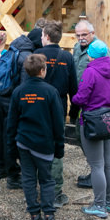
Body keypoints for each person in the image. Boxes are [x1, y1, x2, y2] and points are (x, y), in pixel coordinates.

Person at [8, 54, 65, 220]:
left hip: (24, 142)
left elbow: (11, 121)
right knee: (47, 180)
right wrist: (59, 146)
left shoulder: (19, 91)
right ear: (42, 71)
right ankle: (49, 217)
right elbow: (58, 122)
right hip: (44, 143)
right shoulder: (50, 92)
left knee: (29, 179)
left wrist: (10, 146)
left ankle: (34, 215)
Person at [71, 39, 110, 219]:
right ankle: (109, 202)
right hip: (108, 117)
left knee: (97, 165)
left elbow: (81, 97)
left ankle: (99, 205)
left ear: (90, 55)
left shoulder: (90, 71)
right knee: (109, 163)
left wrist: (73, 100)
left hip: (91, 119)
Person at [35, 21, 78, 207]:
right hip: (59, 106)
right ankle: (56, 190)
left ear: (46, 37)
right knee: (56, 147)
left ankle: (39, 185)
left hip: (37, 105)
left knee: (37, 144)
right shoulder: (67, 57)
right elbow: (73, 86)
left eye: (42, 35)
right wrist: (74, 113)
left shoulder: (37, 55)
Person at [0, 32, 35, 189]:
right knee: (11, 138)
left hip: (0, 97)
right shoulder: (26, 56)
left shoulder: (10, 51)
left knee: (1, 134)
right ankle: (13, 175)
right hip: (12, 100)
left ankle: (0, 168)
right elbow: (25, 84)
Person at [72, 18, 96, 189]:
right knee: (80, 136)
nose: (81, 38)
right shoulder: (76, 48)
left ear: (92, 34)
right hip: (78, 100)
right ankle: (95, 172)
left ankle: (96, 174)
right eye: (78, 35)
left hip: (92, 103)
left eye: (84, 34)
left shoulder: (99, 50)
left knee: (90, 138)